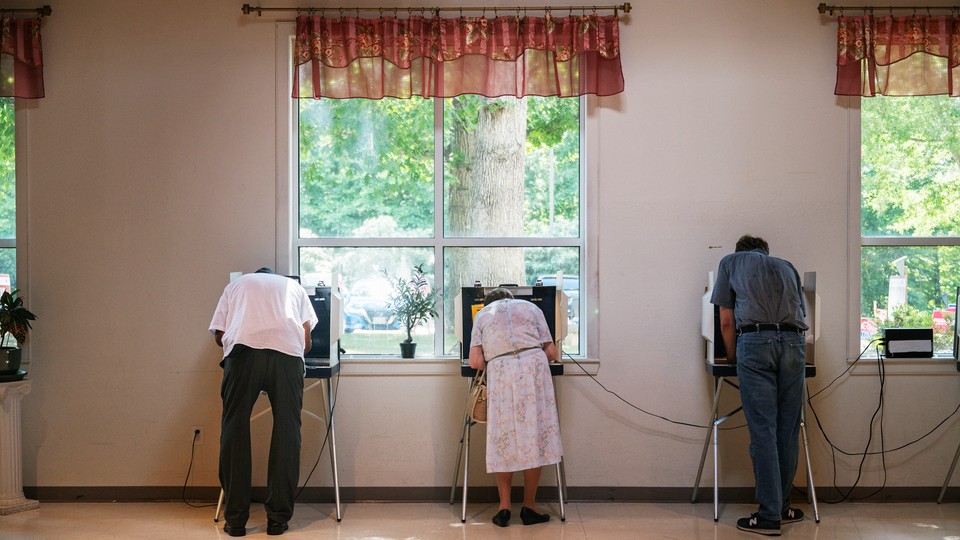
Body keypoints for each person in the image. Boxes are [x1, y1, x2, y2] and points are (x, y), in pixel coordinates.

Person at [209, 268, 318, 537]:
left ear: (254, 274)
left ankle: (235, 521)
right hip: (287, 355)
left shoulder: (236, 285)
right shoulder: (295, 288)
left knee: (234, 427)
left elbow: (219, 335)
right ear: (277, 275)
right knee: (287, 430)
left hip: (244, 352)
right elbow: (306, 341)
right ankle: (278, 520)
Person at [711, 235, 808, 536]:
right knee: (788, 430)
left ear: (741, 251)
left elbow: (726, 320)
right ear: (766, 252)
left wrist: (731, 357)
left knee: (763, 430)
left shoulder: (730, 261)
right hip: (794, 344)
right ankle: (782, 508)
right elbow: (802, 313)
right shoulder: (787, 266)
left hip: (755, 343)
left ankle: (768, 516)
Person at [468, 287, 563, 528]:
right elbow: (551, 352)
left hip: (502, 374)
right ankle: (529, 507)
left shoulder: (482, 314)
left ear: (488, 302)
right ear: (511, 299)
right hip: (533, 372)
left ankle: (504, 508)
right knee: (535, 436)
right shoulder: (532, 307)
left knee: (505, 438)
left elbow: (476, 362)